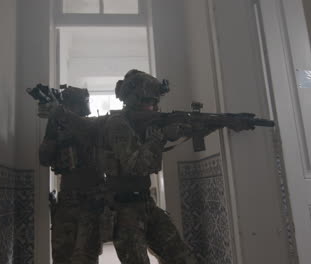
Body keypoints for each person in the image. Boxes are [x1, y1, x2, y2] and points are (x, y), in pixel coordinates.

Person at [100, 69, 198, 264]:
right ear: (133, 99)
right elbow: (135, 165)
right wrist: (161, 137)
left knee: (182, 257)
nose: (153, 107)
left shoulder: (143, 125)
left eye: (154, 102)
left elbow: (150, 161)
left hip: (146, 204)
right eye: (148, 101)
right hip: (123, 210)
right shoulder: (117, 124)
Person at [39, 86, 105, 264]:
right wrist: (52, 128)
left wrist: (62, 115)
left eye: (71, 106)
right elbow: (44, 158)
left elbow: (87, 129)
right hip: (67, 201)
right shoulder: (59, 127)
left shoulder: (94, 125)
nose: (68, 110)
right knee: (62, 255)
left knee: (86, 256)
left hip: (92, 202)